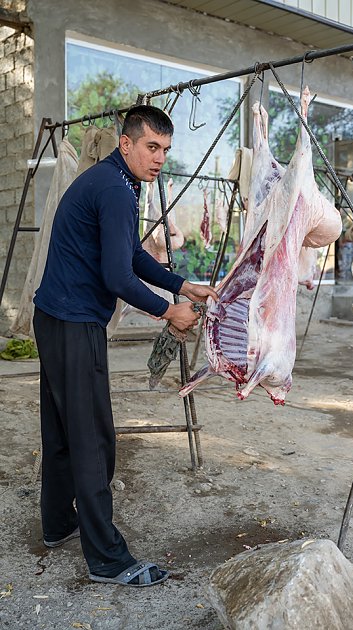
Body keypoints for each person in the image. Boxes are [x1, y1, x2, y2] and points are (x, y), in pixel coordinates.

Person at [32, 105, 218, 588]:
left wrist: (182, 284)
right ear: (127, 143)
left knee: (61, 429)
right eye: (151, 147)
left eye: (165, 150)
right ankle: (107, 560)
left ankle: (57, 524)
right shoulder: (115, 188)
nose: (158, 159)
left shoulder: (114, 181)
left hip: (52, 317)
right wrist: (167, 310)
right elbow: (117, 276)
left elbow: (130, 253)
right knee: (93, 438)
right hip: (73, 323)